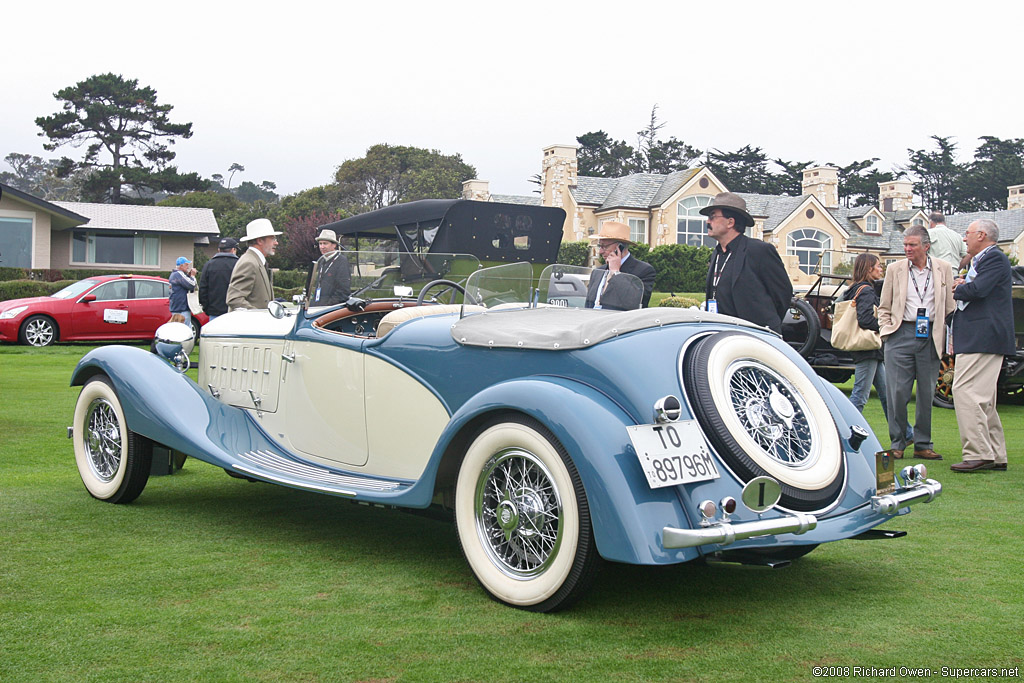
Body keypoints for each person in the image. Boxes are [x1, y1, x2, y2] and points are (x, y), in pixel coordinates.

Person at [877, 225, 955, 460]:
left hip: (931, 335)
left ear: (926, 246)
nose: (907, 249)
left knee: (926, 393)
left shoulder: (944, 268)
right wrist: (886, 330)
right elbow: (884, 306)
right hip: (900, 333)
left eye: (912, 245)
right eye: (905, 245)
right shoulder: (895, 269)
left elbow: (950, 308)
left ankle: (923, 444)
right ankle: (898, 441)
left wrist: (949, 340)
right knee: (897, 393)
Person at [949, 219, 1013, 472]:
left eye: (967, 234)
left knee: (965, 391)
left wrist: (959, 287)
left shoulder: (994, 259)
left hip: (982, 336)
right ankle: (995, 453)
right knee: (984, 399)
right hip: (983, 336)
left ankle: (978, 452)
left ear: (982, 235)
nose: (964, 239)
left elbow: (979, 290)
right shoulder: (983, 260)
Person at [700, 192, 792, 333]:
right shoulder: (717, 254)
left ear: (730, 222)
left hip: (757, 334)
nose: (707, 221)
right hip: (722, 332)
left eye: (712, 216)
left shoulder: (759, 250)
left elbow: (782, 293)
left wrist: (766, 323)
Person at [584, 221, 656, 310]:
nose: (600, 251)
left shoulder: (643, 271)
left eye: (604, 246)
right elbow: (588, 304)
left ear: (620, 247)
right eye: (600, 246)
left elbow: (634, 302)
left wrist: (615, 273)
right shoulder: (597, 272)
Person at [226, 218, 281, 311]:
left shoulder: (255, 261)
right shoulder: (249, 263)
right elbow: (234, 299)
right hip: (251, 325)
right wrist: (259, 315)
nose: (276, 242)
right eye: (272, 238)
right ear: (259, 241)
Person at [199, 238, 239, 320]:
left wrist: (207, 308)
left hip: (214, 312)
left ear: (218, 250)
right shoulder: (239, 264)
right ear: (233, 250)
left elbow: (203, 289)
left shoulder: (209, 265)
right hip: (234, 312)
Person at [310, 229, 351, 306]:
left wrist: (327, 306)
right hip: (318, 307)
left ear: (334, 245)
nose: (322, 247)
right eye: (320, 244)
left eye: (325, 243)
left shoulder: (341, 261)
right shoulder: (322, 261)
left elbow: (343, 291)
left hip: (330, 309)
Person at [926, 211, 967, 276]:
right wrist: (958, 267)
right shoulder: (957, 235)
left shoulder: (928, 234)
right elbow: (968, 254)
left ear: (930, 222)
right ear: (944, 222)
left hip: (935, 272)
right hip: (953, 272)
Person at [168, 256, 197, 327]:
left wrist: (188, 276)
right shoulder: (179, 274)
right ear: (181, 266)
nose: (188, 267)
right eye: (186, 265)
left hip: (176, 307)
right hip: (182, 308)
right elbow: (192, 285)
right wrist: (193, 276)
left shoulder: (174, 274)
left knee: (177, 328)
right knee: (185, 329)